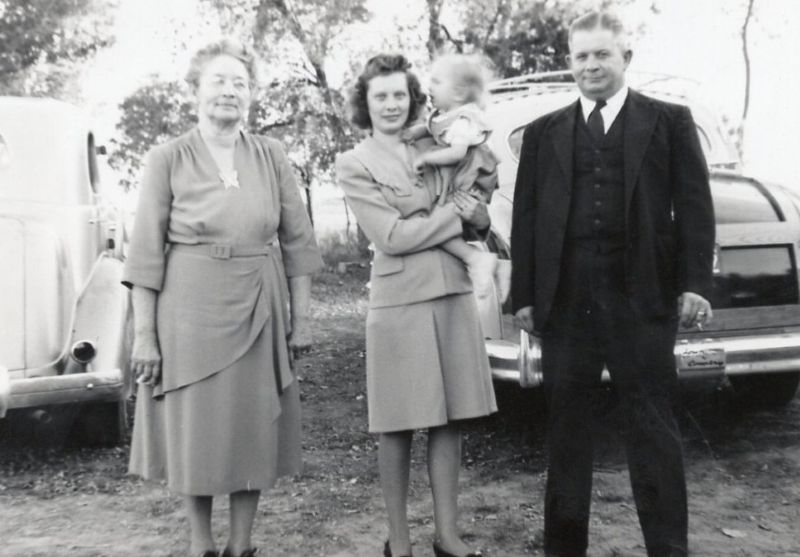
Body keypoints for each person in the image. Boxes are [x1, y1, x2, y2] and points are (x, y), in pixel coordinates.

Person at [510, 11, 714, 557]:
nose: (591, 65)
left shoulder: (669, 121)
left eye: (602, 54)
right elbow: (526, 218)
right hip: (567, 304)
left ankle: (668, 550)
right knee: (567, 436)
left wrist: (696, 282)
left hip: (642, 300)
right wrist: (524, 294)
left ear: (626, 57)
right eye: (581, 56)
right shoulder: (543, 132)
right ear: (569, 62)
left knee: (653, 431)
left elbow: (695, 207)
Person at [123, 38, 323, 557]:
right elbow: (144, 254)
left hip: (259, 305)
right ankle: (200, 544)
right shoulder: (166, 157)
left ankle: (241, 544)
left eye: (240, 82)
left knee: (250, 424)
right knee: (195, 427)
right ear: (196, 89)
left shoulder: (271, 154)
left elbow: (299, 243)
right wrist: (144, 336)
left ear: (251, 94)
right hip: (187, 312)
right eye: (219, 80)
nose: (229, 91)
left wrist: (302, 321)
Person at [336, 54, 497, 557]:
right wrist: (455, 216)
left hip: (451, 291)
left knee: (450, 420)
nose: (391, 104)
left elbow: (478, 208)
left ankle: (447, 536)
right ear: (364, 103)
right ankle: (400, 542)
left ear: (413, 98)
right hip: (400, 302)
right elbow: (391, 237)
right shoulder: (354, 162)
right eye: (380, 95)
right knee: (398, 424)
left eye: (399, 94)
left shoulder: (440, 142)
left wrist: (479, 217)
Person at [404, 53, 500, 298]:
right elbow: (429, 129)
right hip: (455, 179)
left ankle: (476, 260)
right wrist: (412, 134)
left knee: (437, 224)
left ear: (458, 93)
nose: (429, 87)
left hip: (465, 178)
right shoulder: (443, 116)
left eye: (437, 82)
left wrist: (427, 158)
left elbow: (457, 153)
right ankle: (477, 261)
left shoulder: (463, 121)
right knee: (435, 225)